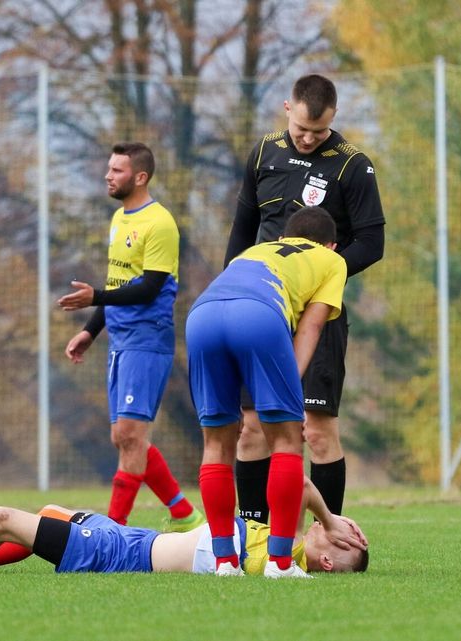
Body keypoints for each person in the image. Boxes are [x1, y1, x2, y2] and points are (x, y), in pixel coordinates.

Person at [225, 73, 386, 522]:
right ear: (286, 109)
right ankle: (253, 534)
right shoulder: (263, 152)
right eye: (301, 130)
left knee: (314, 431)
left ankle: (327, 532)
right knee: (253, 427)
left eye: (319, 131)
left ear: (333, 119)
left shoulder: (353, 165)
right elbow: (242, 230)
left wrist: (319, 276)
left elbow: (372, 244)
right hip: (263, 311)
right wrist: (232, 287)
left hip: (320, 309)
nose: (310, 138)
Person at [189, 206, 347, 577]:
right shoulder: (331, 260)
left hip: (202, 316)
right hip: (258, 315)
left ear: (283, 237)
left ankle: (225, 562)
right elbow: (311, 328)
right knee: (287, 441)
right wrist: (289, 396)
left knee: (217, 444)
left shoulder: (254, 251)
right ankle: (280, 563)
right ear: (331, 244)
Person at [57, 142, 204, 533]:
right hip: (121, 339)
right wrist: (91, 330)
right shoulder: (120, 218)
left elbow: (151, 287)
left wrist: (97, 298)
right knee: (123, 436)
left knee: (132, 435)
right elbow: (119, 283)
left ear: (140, 177)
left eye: (117, 170)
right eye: (109, 168)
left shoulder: (159, 223)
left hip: (147, 338)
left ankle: (114, 529)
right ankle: (183, 514)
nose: (108, 175)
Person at [0, 477, 367, 577]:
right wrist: (326, 520)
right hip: (133, 539)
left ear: (327, 558)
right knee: (48, 514)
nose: (344, 526)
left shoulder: (282, 562)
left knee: (2, 519)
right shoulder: (283, 545)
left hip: (118, 555)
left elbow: (297, 486)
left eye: (347, 536)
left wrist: (325, 517)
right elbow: (291, 485)